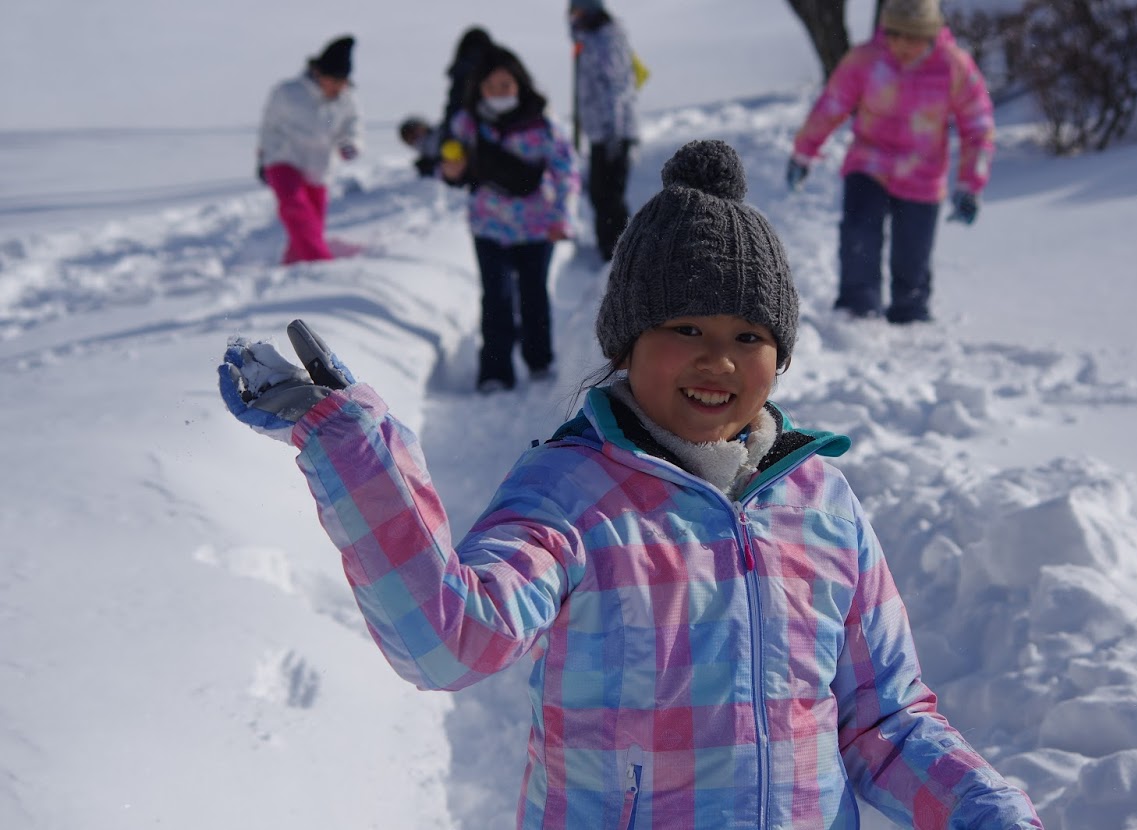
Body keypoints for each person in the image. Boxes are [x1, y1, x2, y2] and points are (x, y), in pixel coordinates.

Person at [218, 139, 1044, 830]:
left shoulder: (821, 505)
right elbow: (448, 640)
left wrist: (983, 808)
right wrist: (351, 450)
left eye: (748, 334)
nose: (718, 359)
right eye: (685, 328)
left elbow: (884, 721)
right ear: (626, 343)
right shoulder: (571, 493)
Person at [786, 0, 994, 324]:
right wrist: (804, 151)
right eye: (893, 35)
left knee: (912, 258)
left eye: (912, 37)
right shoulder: (866, 60)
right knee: (859, 234)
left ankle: (909, 319)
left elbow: (977, 127)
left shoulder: (953, 66)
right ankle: (857, 313)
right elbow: (832, 104)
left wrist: (970, 184)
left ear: (930, 35)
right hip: (868, 163)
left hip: (923, 175)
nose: (901, 45)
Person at [439, 44, 578, 393]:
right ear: (479, 90)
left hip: (537, 226)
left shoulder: (544, 124)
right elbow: (455, 170)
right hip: (489, 226)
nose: (499, 93)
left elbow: (566, 172)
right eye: (491, 87)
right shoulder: (468, 124)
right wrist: (451, 170)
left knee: (534, 295)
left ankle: (540, 360)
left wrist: (563, 217)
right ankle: (495, 372)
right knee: (496, 298)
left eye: (506, 85)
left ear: (520, 84)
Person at [257, 35, 363, 265]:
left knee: (311, 225)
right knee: (296, 210)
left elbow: (350, 126)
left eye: (343, 82)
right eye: (334, 80)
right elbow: (269, 125)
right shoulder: (288, 92)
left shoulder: (345, 100)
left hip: (319, 167)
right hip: (284, 160)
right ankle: (322, 266)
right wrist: (263, 157)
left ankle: (293, 272)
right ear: (319, 73)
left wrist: (350, 143)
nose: (338, 87)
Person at [568, 0, 640, 261]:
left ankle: (620, 255)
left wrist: (614, 136)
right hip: (602, 134)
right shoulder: (587, 39)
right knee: (601, 194)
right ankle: (609, 254)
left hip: (614, 134)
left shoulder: (606, 39)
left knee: (610, 197)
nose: (571, 17)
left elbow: (616, 89)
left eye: (576, 11)